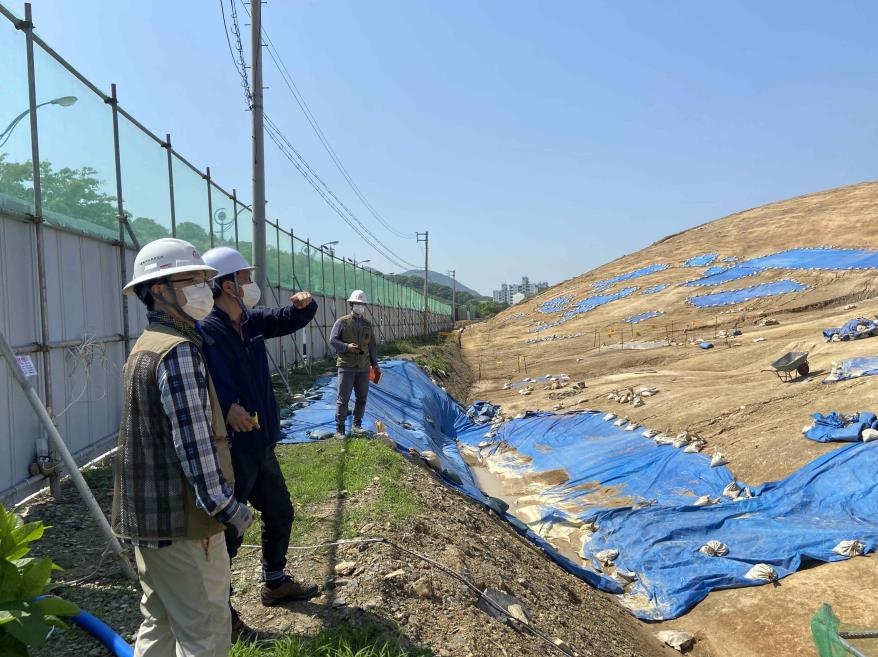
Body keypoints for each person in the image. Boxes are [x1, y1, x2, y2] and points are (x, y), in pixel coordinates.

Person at [112, 238, 253, 657]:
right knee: (204, 632)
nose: (202, 289)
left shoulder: (145, 345)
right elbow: (194, 444)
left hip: (147, 520)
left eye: (204, 280)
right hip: (185, 525)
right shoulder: (178, 353)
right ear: (158, 290)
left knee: (160, 620)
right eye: (190, 279)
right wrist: (229, 510)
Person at [198, 246, 319, 610]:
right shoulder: (207, 329)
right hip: (233, 448)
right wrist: (225, 404)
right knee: (231, 530)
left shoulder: (250, 321)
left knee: (280, 510)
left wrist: (305, 306)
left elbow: (287, 320)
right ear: (226, 285)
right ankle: (222, 610)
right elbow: (202, 378)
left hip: (260, 440)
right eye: (245, 278)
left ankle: (275, 583)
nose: (251, 283)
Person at [329, 289, 381, 435]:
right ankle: (340, 428)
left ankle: (357, 424)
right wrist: (346, 347)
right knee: (343, 398)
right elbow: (332, 340)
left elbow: (372, 345)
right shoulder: (342, 322)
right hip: (347, 366)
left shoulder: (367, 324)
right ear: (351, 305)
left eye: (362, 304)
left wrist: (374, 363)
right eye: (357, 304)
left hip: (363, 367)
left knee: (362, 397)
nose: (360, 306)